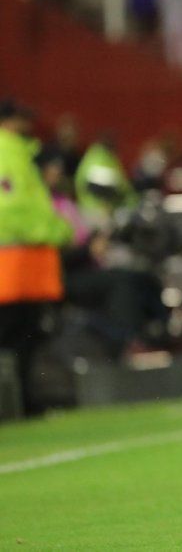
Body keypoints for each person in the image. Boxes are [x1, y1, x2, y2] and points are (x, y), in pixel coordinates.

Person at [0, 99, 73, 416]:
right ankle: (22, 404)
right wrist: (55, 231)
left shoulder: (19, 151)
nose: (26, 125)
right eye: (20, 118)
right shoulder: (7, 152)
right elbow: (12, 209)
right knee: (15, 333)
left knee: (26, 334)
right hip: (14, 259)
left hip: (26, 262)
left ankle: (27, 402)